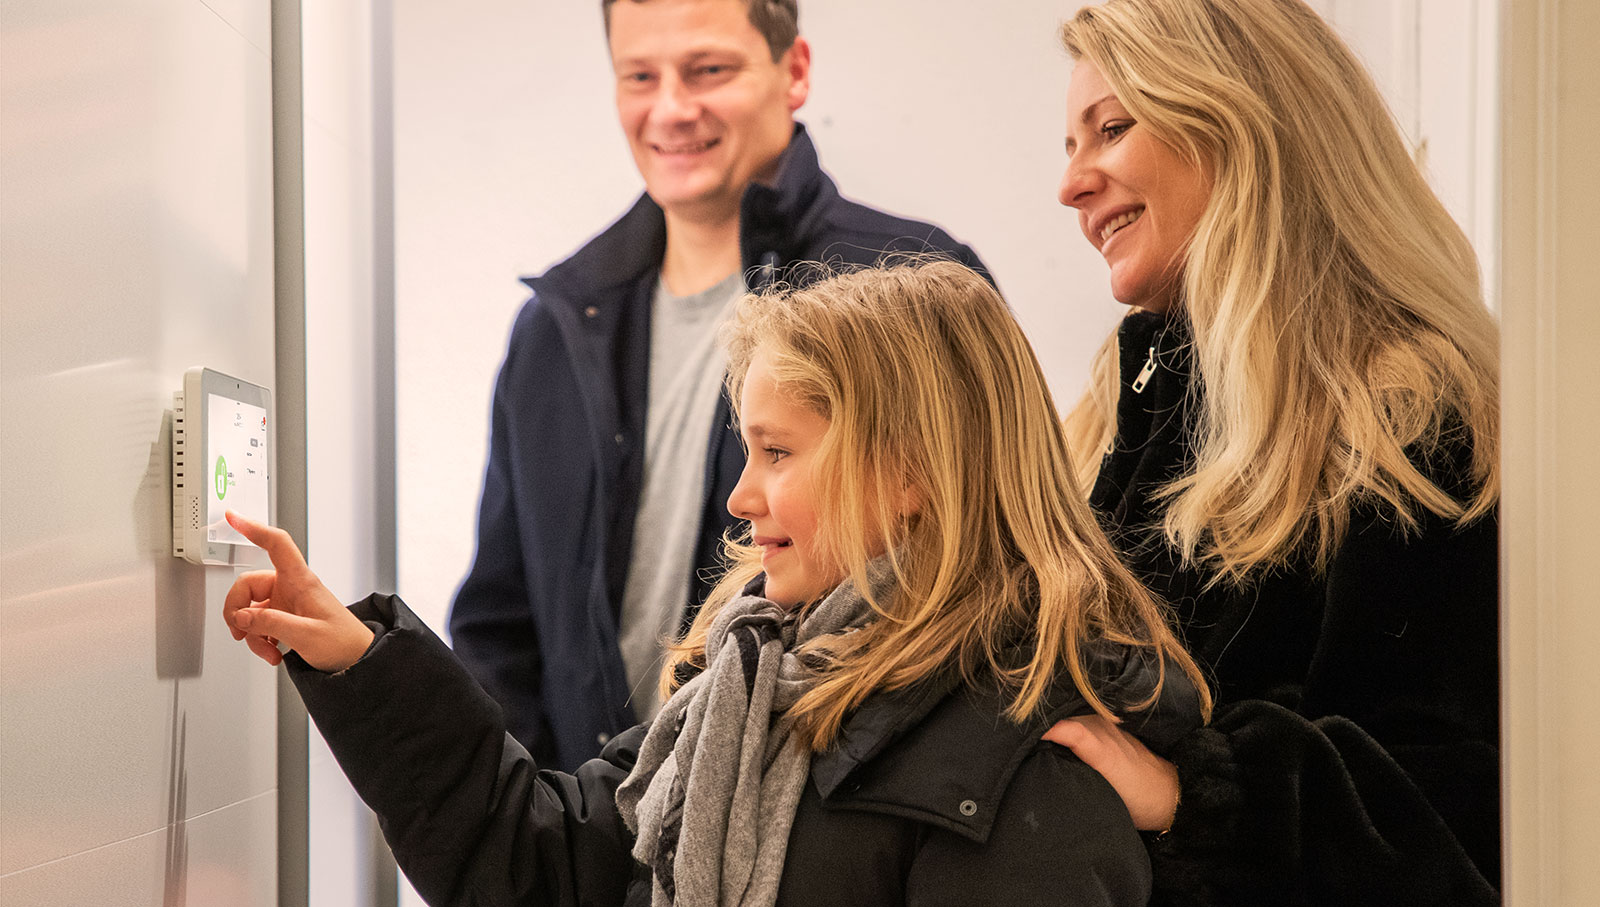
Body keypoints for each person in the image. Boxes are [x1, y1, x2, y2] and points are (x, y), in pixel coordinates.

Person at [224, 261, 1207, 906]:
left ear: (911, 471)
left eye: (778, 451)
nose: (740, 497)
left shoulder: (1040, 747)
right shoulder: (752, 684)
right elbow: (544, 867)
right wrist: (363, 663)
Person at [448, 0, 987, 772]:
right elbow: (500, 624)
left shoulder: (910, 285)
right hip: (591, 821)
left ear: (794, 70)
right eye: (640, 76)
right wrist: (542, 815)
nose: (671, 109)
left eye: (707, 70)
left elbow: (982, 576)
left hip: (819, 810)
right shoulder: (554, 327)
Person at [1042, 1, 1502, 905]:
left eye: (1112, 129)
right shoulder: (1115, 411)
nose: (1071, 185)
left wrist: (1197, 798)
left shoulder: (1408, 419)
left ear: (1241, 121)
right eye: (1069, 145)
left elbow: (1452, 817)